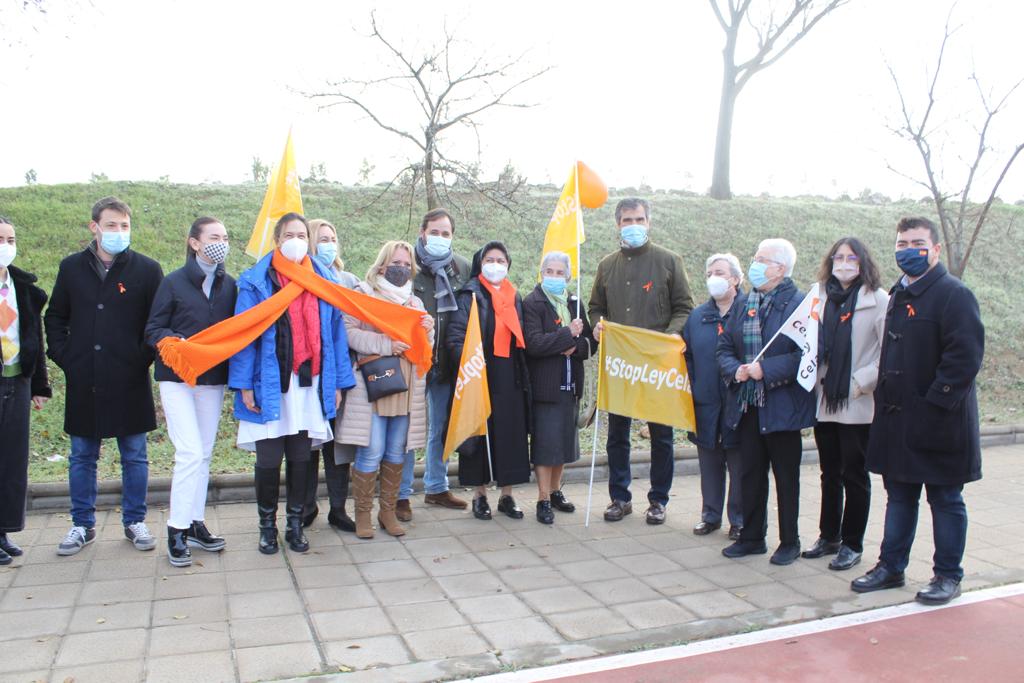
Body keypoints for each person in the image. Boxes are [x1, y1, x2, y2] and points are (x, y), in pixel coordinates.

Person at [851, 217, 984, 605]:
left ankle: (947, 575)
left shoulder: (954, 294)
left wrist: (933, 405)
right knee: (899, 496)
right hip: (897, 421)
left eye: (917, 243)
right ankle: (891, 567)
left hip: (940, 421)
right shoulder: (899, 293)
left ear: (935, 249)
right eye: (902, 243)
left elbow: (964, 359)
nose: (908, 250)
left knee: (945, 499)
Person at [45, 196, 164, 556]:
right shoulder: (71, 268)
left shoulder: (147, 270)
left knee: (135, 455)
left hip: (130, 377)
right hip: (85, 377)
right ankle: (82, 524)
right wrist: (66, 357)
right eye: (111, 225)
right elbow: (56, 317)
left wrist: (141, 357)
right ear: (94, 227)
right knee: (82, 455)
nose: (118, 231)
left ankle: (135, 520)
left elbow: (157, 322)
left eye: (124, 225)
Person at [229, 212, 354, 555]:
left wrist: (338, 383)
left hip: (309, 382)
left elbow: (336, 336)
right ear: (277, 240)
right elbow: (244, 335)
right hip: (270, 381)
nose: (296, 241)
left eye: (301, 235)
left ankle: (295, 523)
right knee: (269, 458)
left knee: (301, 456)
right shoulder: (257, 281)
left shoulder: (323, 280)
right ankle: (267, 527)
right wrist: (244, 384)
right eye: (289, 235)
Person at [588, 197, 695, 524]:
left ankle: (658, 500)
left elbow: (684, 307)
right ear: (617, 224)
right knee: (617, 435)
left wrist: (672, 336)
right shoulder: (607, 265)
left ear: (648, 222)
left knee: (661, 435)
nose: (633, 226)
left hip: (656, 364)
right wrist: (598, 325)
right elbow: (596, 307)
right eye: (626, 221)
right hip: (621, 365)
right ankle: (619, 498)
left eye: (638, 220)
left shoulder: (669, 261)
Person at [717, 238, 815, 566]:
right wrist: (736, 370)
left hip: (782, 407)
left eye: (762, 260)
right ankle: (752, 537)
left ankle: (789, 541)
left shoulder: (799, 306)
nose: (755, 265)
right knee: (750, 474)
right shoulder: (746, 302)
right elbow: (724, 347)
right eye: (755, 258)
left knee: (785, 478)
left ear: (780, 269)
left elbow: (806, 354)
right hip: (747, 405)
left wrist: (766, 370)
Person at [145, 217, 236, 567]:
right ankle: (177, 529)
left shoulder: (230, 286)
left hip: (211, 379)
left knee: (205, 453)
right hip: (177, 379)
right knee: (190, 452)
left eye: (225, 237)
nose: (221, 243)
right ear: (195, 243)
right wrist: (174, 343)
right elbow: (153, 328)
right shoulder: (173, 282)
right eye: (214, 237)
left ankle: (195, 522)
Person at [334, 241, 434, 539]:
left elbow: (426, 347)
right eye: (395, 263)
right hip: (373, 385)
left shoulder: (415, 303)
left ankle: (387, 511)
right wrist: (386, 344)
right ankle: (363, 513)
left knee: (395, 450)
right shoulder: (363, 294)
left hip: (406, 386)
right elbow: (348, 333)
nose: (401, 269)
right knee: (372, 450)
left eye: (406, 264)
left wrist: (429, 329)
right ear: (381, 264)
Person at [802, 237, 888, 571]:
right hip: (824, 398)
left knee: (855, 476)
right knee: (829, 474)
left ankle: (852, 543)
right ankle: (829, 536)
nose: (844, 263)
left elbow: (887, 352)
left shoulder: (878, 300)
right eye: (838, 257)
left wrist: (860, 382)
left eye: (851, 258)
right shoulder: (818, 296)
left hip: (856, 401)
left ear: (863, 262)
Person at [447, 241, 531, 520]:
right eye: (490, 260)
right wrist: (471, 360)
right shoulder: (470, 294)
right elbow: (455, 337)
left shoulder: (514, 296)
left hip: (510, 375)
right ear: (480, 264)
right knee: (479, 435)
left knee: (510, 435)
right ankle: (479, 494)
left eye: (501, 260)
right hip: (479, 373)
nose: (496, 265)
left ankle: (507, 495)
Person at [402, 208, 473, 520]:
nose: (440, 238)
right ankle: (401, 494)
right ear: (422, 233)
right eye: (435, 232)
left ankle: (436, 487)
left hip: (446, 363)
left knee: (440, 428)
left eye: (446, 233)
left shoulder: (462, 268)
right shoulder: (408, 264)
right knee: (408, 429)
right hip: (414, 362)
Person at [522, 250, 596, 524]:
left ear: (568, 276)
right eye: (549, 272)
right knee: (545, 445)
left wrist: (574, 346)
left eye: (559, 272)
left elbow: (589, 344)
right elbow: (534, 343)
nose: (554, 276)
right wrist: (567, 334)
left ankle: (555, 492)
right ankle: (542, 498)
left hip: (571, 384)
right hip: (546, 386)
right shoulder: (533, 302)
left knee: (564, 442)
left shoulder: (575, 303)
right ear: (542, 273)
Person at [298, 219, 359, 533]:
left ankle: (338, 508)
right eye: (322, 239)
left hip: (341, 372)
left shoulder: (349, 280)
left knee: (338, 446)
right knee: (308, 445)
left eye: (332, 239)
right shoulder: (300, 278)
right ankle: (306, 505)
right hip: (310, 373)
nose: (329, 245)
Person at [683, 253, 745, 540]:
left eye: (720, 273)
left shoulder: (749, 311)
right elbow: (687, 356)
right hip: (706, 402)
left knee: (739, 465)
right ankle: (710, 515)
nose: (713, 278)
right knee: (709, 463)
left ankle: (739, 519)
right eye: (709, 274)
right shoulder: (698, 316)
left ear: (736, 279)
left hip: (739, 402)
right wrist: (694, 386)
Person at [0, 217, 51, 565]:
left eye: (10, 239)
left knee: (11, 460)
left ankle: (4, 529)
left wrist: (39, 385)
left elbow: (34, 337)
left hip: (17, 380)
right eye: (0, 238)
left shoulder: (23, 288)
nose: (6, 245)